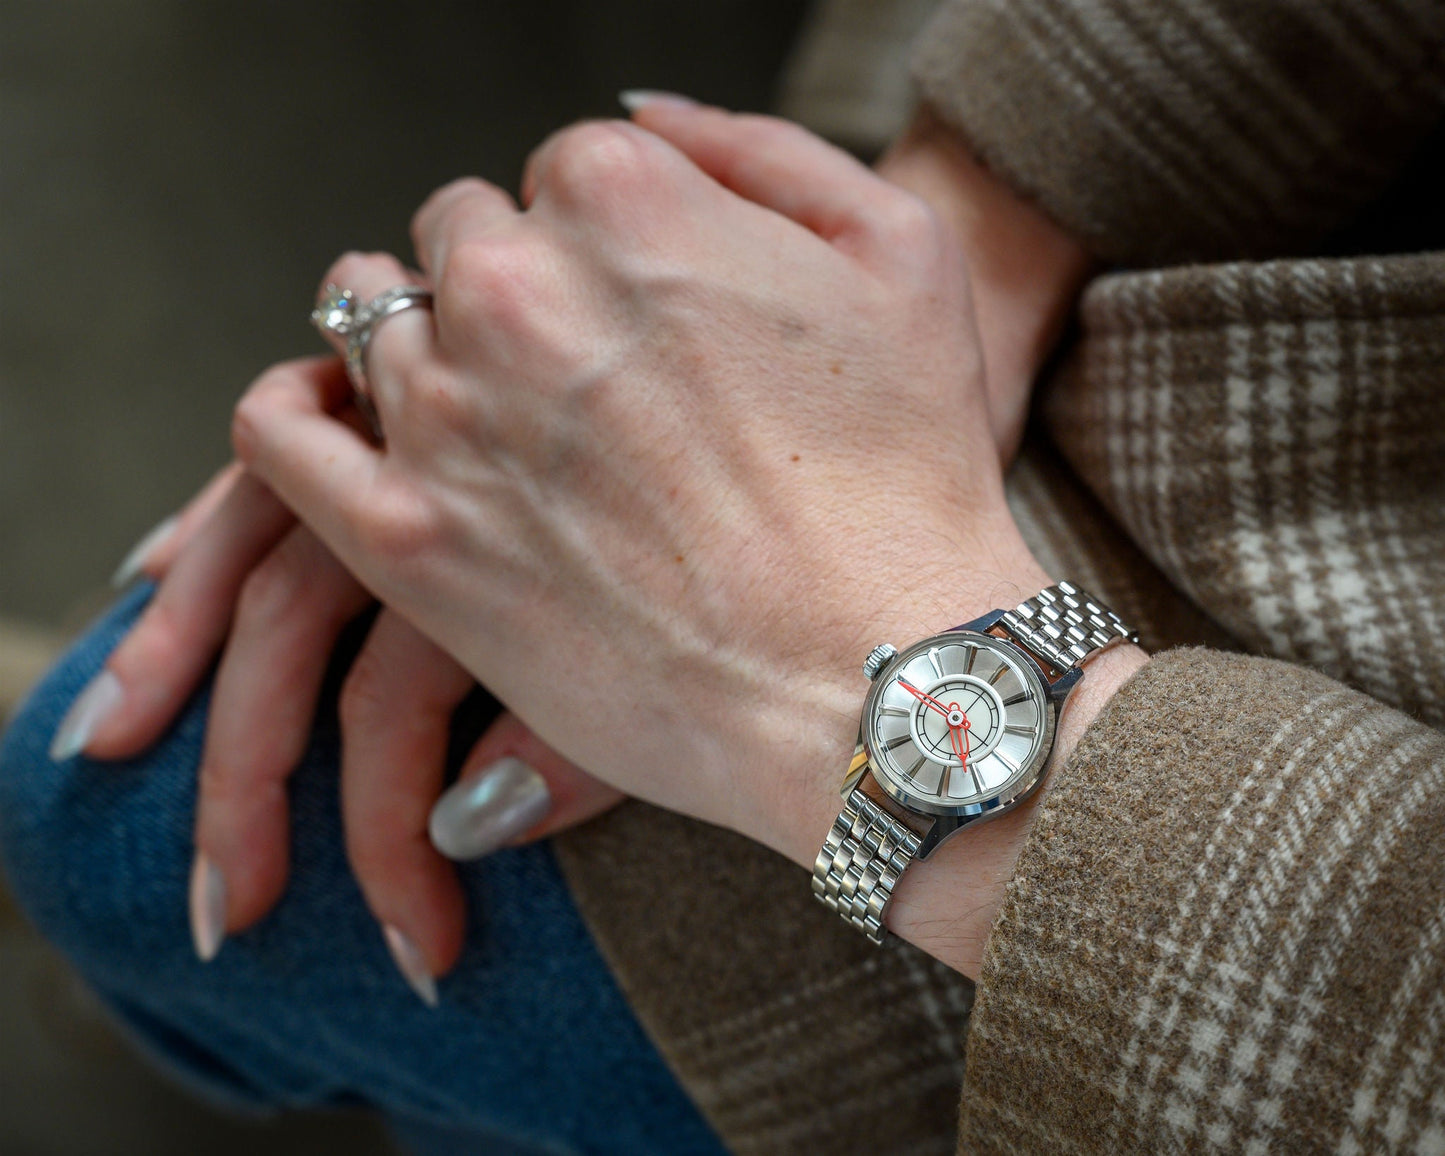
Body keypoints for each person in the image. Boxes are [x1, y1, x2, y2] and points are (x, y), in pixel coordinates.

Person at [4, 3, 1445, 1155]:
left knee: (114, 819)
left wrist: (821, 667)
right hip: (1280, 349)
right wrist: (986, 217)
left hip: (1281, 860)